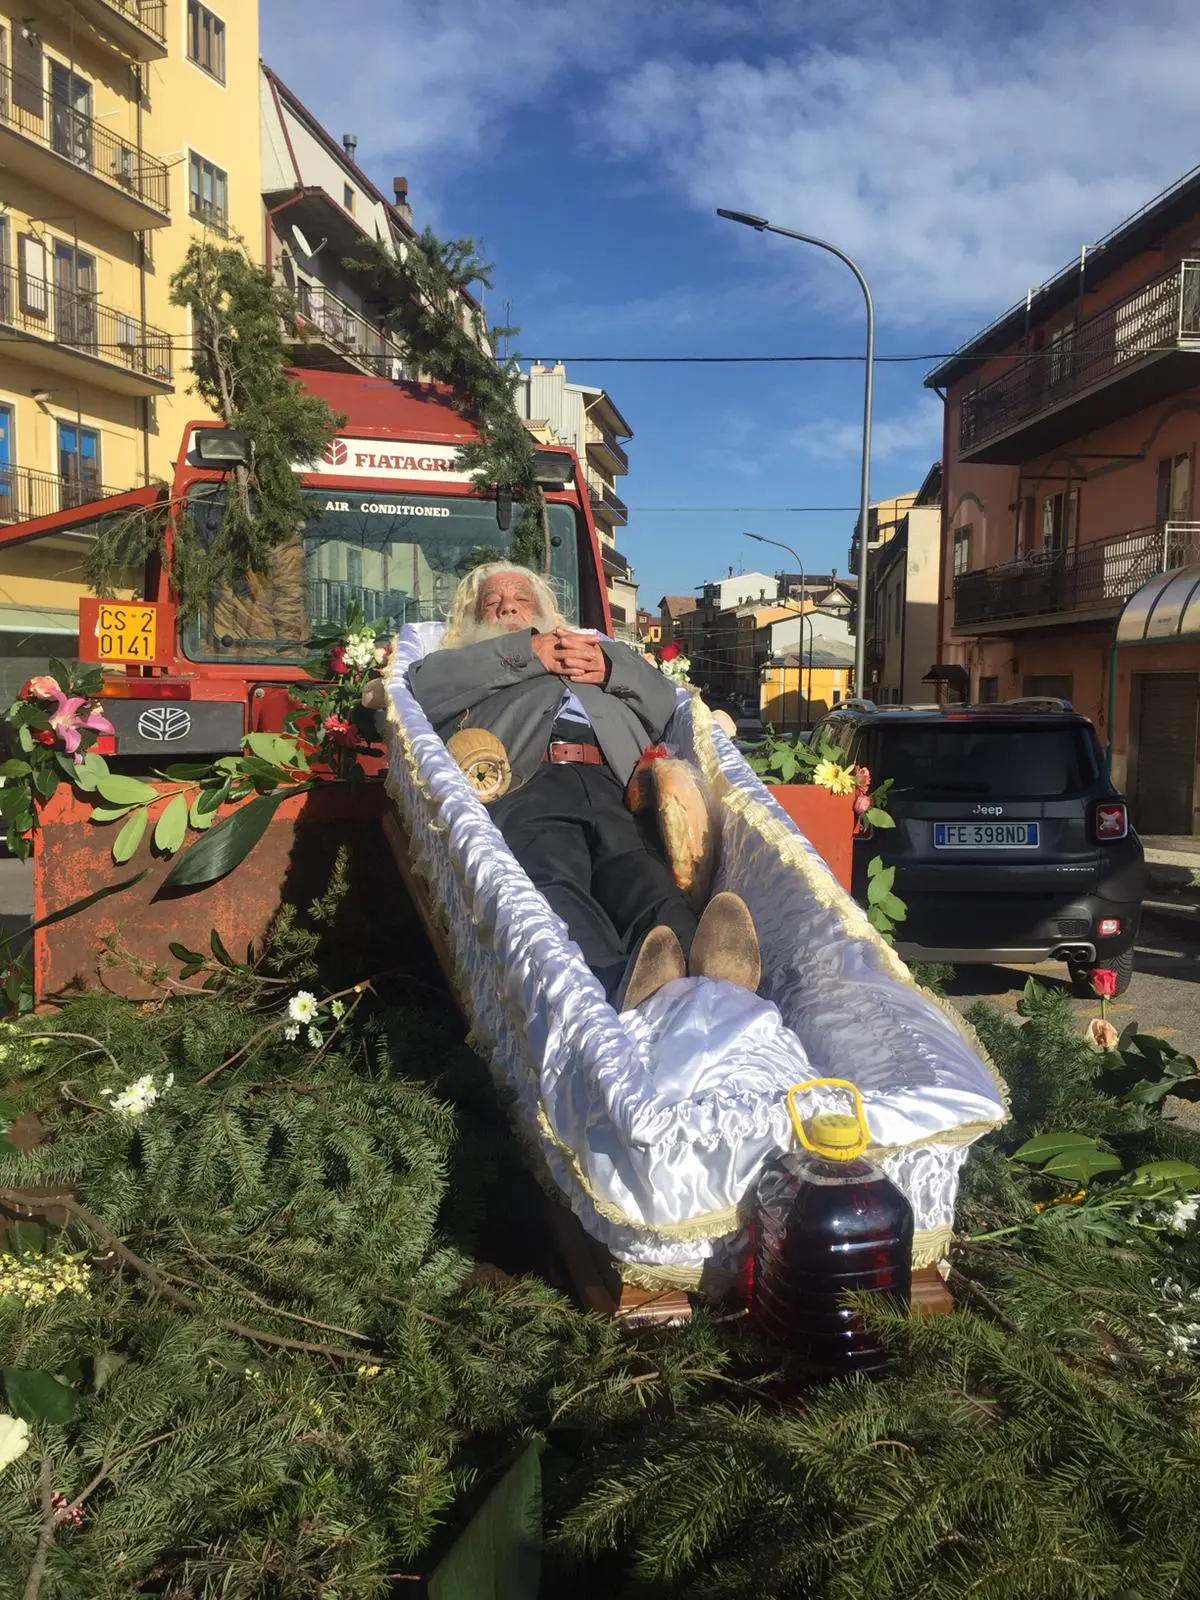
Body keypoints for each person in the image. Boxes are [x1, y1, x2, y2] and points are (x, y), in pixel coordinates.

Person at [407, 562, 760, 1009]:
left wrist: (610, 666)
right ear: (475, 618)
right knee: (553, 880)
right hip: (527, 779)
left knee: (644, 876)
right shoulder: (461, 663)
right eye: (493, 603)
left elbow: (664, 704)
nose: (509, 606)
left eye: (521, 598)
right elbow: (422, 690)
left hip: (615, 780)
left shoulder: (596, 649)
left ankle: (709, 977)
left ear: (547, 610)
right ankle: (615, 984)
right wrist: (526, 652)